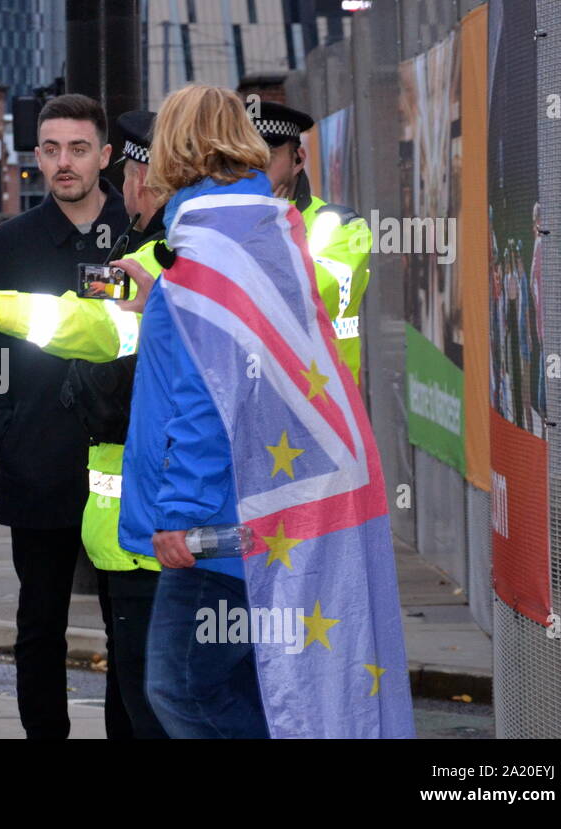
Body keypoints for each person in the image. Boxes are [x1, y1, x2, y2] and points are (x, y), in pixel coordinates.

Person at [124, 84, 413, 738]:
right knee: (262, 689)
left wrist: (182, 514)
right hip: (276, 507)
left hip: (223, 520)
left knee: (181, 688)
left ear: (173, 148)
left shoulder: (206, 248)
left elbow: (207, 393)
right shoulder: (264, 232)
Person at [0, 110, 170, 739]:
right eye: (50, 149)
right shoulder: (7, 245)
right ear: (35, 156)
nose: (64, 161)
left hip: (122, 464)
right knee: (40, 622)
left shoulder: (140, 230)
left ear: (107, 155)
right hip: (37, 462)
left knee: (129, 623)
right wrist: (2, 435)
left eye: (78, 148)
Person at [251, 102, 372, 381]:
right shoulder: (219, 226)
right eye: (244, 160)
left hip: (323, 406)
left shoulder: (340, 224)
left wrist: (271, 228)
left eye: (266, 157)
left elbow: (303, 296)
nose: (254, 172)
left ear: (298, 159)